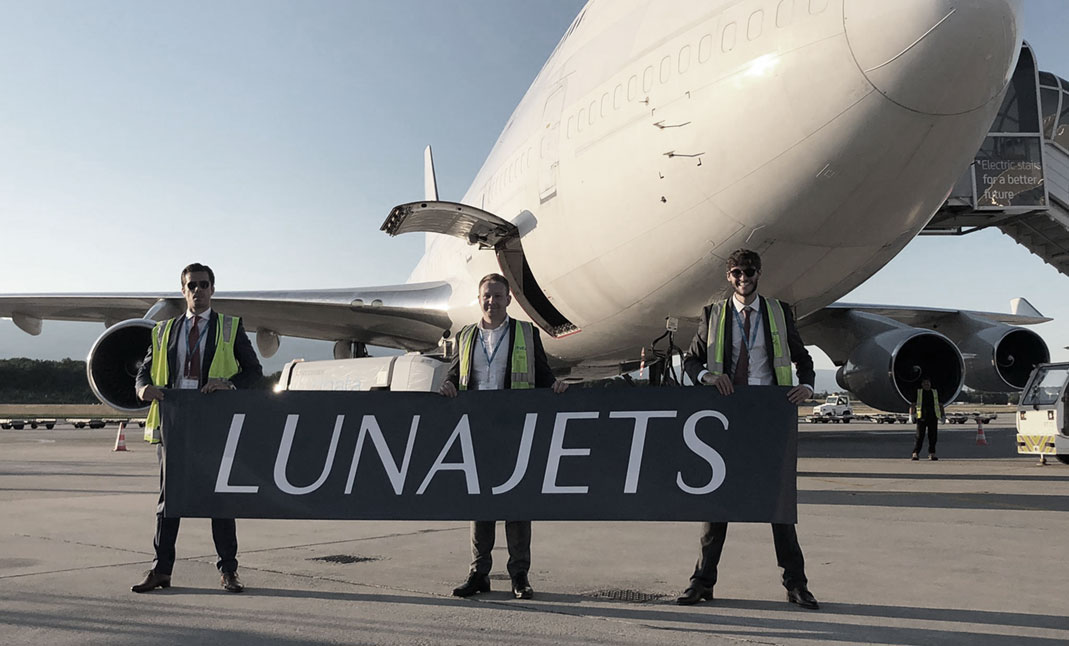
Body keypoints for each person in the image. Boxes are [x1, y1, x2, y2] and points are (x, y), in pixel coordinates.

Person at [676, 248, 820, 610]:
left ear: (759, 274)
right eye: (738, 272)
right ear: (729, 276)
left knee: (778, 505)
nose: (744, 277)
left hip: (769, 415)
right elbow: (691, 360)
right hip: (727, 415)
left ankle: (796, 584)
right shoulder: (713, 314)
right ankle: (702, 582)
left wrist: (808, 385)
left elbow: (802, 358)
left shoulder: (779, 312)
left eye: (750, 271)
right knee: (718, 503)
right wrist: (709, 376)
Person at [131, 263, 263, 593]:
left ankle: (228, 571)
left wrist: (229, 385)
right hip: (175, 425)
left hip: (214, 426)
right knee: (168, 501)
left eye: (203, 285)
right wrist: (141, 389)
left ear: (213, 290)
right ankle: (161, 570)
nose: (197, 291)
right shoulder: (163, 331)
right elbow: (144, 372)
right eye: (191, 286)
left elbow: (253, 372)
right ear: (182, 291)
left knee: (220, 501)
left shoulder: (230, 328)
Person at [440, 273, 568, 600]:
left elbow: (542, 375)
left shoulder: (526, 333)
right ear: (478, 298)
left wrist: (554, 386)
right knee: (480, 505)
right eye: (486, 296)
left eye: (498, 296)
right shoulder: (466, 336)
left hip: (514, 429)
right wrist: (449, 384)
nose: (491, 302)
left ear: (509, 299)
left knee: (516, 505)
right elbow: (456, 373)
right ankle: (478, 572)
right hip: (478, 430)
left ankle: (519, 575)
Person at [910, 377, 942, 461]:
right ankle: (915, 453)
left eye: (928, 383)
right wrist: (911, 415)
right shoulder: (918, 392)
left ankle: (932, 454)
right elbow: (913, 404)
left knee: (933, 437)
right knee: (919, 436)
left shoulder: (935, 392)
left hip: (933, 417)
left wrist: (943, 415)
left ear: (930, 384)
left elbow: (940, 404)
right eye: (925, 383)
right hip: (921, 417)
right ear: (922, 384)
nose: (926, 385)